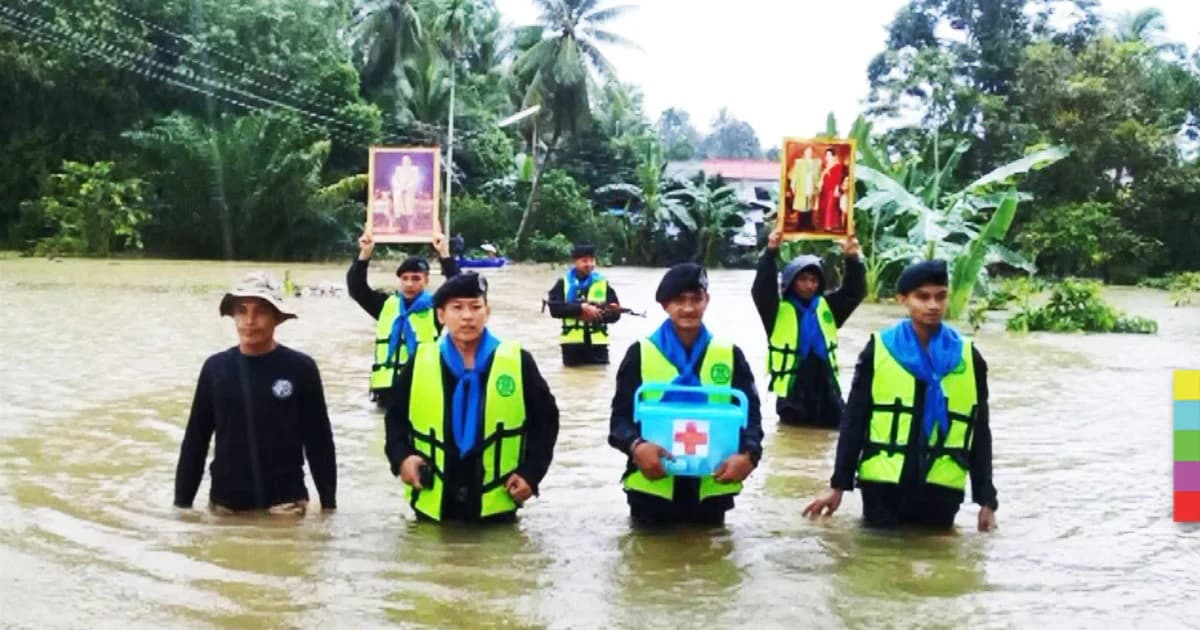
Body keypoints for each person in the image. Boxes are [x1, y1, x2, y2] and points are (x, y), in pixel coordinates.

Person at [803, 260, 998, 531]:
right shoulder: (879, 350)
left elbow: (979, 430)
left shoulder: (969, 357)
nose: (933, 305)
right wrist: (838, 486)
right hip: (884, 486)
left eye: (941, 296)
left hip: (941, 490)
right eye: (923, 297)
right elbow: (854, 421)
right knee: (878, 563)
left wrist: (986, 500)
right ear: (903, 300)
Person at [385, 273, 560, 524]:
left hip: (496, 503)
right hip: (432, 503)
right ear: (441, 315)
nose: (467, 316)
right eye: (457, 308)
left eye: (475, 307)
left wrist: (531, 474)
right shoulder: (421, 361)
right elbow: (395, 419)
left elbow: (546, 422)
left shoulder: (517, 361)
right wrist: (401, 458)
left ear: (487, 312)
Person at [608, 263, 764, 527]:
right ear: (665, 305)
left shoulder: (730, 354)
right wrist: (637, 446)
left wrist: (749, 456)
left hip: (711, 491)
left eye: (696, 299)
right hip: (651, 493)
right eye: (679, 300)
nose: (689, 308)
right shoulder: (640, 354)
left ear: (707, 301)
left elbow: (752, 419)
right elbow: (618, 422)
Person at [174, 271, 337, 515]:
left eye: (260, 311)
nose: (250, 321)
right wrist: (181, 507)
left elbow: (319, 443)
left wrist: (328, 508)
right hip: (225, 507)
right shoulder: (215, 368)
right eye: (242, 310)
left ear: (276, 317)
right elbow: (195, 443)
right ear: (233, 316)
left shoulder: (301, 369)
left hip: (285, 507)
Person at [752, 230, 865, 427]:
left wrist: (852, 258)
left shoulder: (827, 307)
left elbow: (854, 292)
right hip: (794, 393)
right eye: (802, 279)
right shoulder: (775, 311)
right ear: (791, 282)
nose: (809, 285)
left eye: (813, 280)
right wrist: (771, 252)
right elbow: (762, 288)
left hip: (827, 390)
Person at [347, 230, 459, 408]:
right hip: (387, 391)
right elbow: (356, 289)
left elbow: (458, 287)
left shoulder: (437, 308)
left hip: (422, 390)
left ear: (426, 280)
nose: (409, 284)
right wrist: (364, 254)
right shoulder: (386, 305)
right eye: (405, 278)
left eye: (416, 278)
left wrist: (444, 253)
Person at [546, 243, 622, 366]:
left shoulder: (603, 284)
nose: (589, 264)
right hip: (572, 347)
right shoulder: (563, 283)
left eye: (592, 260)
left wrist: (598, 313)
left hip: (598, 347)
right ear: (575, 262)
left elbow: (616, 315)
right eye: (584, 261)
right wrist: (581, 308)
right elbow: (555, 309)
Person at [817, 148, 848, 232]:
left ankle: (830, 225)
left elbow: (838, 179)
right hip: (825, 189)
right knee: (824, 206)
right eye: (826, 155)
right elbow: (823, 178)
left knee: (830, 207)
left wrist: (837, 189)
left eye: (829, 155)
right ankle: (824, 225)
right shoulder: (826, 166)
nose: (827, 157)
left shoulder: (837, 166)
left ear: (833, 156)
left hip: (832, 189)